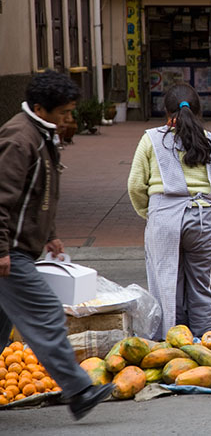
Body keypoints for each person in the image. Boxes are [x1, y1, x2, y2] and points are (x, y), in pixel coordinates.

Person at [0, 70, 114, 420]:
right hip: (11, 252)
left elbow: (37, 195)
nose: (70, 118)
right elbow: (2, 198)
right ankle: (79, 390)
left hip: (21, 246)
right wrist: (1, 249)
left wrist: (49, 233)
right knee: (49, 313)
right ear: (40, 108)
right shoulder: (20, 139)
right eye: (64, 112)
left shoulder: (40, 133)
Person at [128, 83, 211, 339]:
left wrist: (151, 213)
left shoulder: (151, 140)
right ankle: (207, 348)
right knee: (204, 291)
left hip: (164, 220)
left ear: (166, 112)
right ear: (198, 112)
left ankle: (170, 349)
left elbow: (135, 185)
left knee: (166, 288)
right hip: (203, 219)